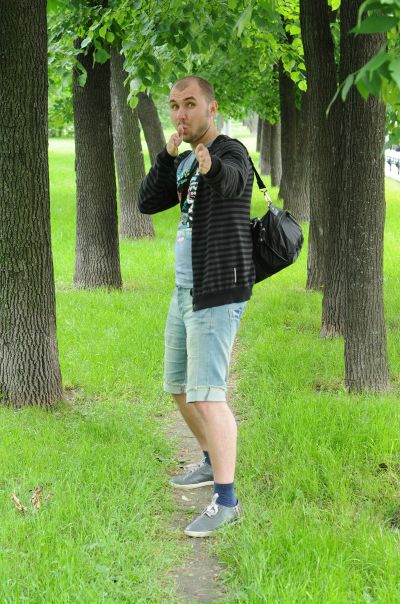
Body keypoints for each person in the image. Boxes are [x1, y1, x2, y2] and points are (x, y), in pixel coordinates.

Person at [138, 76, 255, 537]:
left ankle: (227, 501)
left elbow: (234, 183)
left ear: (212, 107)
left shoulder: (232, 152)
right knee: (178, 387)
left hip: (216, 292)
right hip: (184, 291)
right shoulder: (184, 161)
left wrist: (212, 167)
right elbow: (147, 201)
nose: (181, 114)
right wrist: (168, 158)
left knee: (208, 395)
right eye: (174, 106)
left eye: (190, 104)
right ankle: (210, 461)